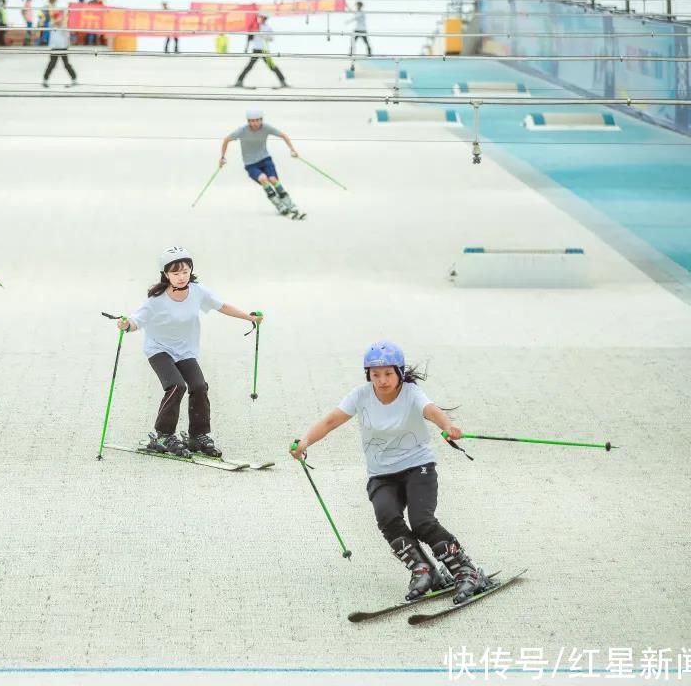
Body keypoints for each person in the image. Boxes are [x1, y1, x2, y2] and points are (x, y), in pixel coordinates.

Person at [290, 341, 491, 605]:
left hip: (418, 467)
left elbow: (431, 411)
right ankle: (424, 570)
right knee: (388, 518)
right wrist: (305, 441)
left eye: (388, 374)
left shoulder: (411, 393)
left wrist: (447, 426)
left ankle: (466, 570)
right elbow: (330, 421)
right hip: (382, 474)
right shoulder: (361, 396)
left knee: (422, 522)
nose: (382, 380)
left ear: (399, 371)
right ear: (368, 375)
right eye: (375, 375)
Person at [116, 247, 263, 459]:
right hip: (159, 350)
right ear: (166, 275)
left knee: (199, 386)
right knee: (176, 386)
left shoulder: (198, 291)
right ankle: (163, 435)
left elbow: (222, 306)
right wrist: (126, 325)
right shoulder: (156, 300)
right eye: (175, 273)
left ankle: (198, 435)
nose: (181, 277)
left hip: (185, 351)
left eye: (185, 271)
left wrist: (249, 318)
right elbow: (136, 320)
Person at [220, 108, 303, 218]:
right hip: (250, 164)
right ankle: (279, 205)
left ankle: (290, 205)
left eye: (257, 120)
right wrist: (222, 157)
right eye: (252, 121)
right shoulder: (242, 131)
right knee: (263, 179)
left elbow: (283, 135)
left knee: (273, 180)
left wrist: (292, 149)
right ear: (248, 121)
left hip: (265, 159)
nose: (255, 123)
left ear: (261, 120)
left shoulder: (266, 127)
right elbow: (226, 140)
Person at [234, 14, 287, 88]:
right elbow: (250, 37)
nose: (261, 19)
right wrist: (247, 46)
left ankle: (283, 81)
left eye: (262, 18)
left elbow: (271, 39)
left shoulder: (268, 28)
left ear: (265, 19)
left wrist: (263, 35)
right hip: (256, 50)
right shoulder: (255, 26)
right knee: (249, 66)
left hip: (264, 50)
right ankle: (239, 81)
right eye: (260, 18)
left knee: (272, 66)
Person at [43, 10, 78, 87]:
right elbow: (55, 22)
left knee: (66, 64)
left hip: (63, 47)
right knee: (52, 64)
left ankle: (74, 79)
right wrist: (61, 17)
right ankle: (45, 80)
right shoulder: (51, 24)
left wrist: (63, 18)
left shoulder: (64, 27)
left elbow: (67, 37)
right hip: (54, 47)